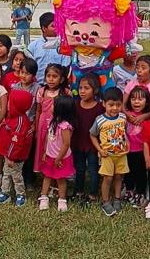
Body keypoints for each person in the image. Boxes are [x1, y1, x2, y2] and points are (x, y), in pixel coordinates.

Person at [89, 87, 130, 217]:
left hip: (121, 154)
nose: (114, 108)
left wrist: (127, 142)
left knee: (119, 177)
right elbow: (92, 135)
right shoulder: (100, 120)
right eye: (111, 105)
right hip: (107, 155)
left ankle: (117, 198)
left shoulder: (123, 117)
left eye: (118, 105)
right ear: (104, 104)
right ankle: (105, 201)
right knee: (108, 178)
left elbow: (124, 132)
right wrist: (100, 150)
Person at [33, 64, 70, 201]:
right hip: (44, 126)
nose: (51, 79)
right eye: (48, 76)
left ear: (61, 79)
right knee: (44, 151)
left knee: (57, 151)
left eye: (55, 76)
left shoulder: (65, 92)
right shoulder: (41, 91)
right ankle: (46, 179)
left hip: (59, 129)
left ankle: (57, 181)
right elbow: (38, 110)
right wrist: (36, 127)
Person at [0, 89, 33, 206]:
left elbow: (16, 143)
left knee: (16, 176)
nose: (8, 103)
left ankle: (21, 195)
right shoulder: (12, 117)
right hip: (8, 154)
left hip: (15, 156)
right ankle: (5, 193)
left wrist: (11, 157)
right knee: (6, 173)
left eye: (11, 101)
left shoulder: (20, 122)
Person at [38, 96, 77, 212]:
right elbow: (48, 138)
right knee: (47, 176)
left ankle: (62, 199)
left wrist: (59, 158)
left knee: (61, 179)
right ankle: (44, 197)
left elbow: (66, 144)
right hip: (50, 155)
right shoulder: (52, 121)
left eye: (53, 105)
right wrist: (45, 151)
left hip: (61, 158)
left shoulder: (65, 126)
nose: (51, 107)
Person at [73, 73, 105, 204]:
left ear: (95, 90)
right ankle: (78, 192)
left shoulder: (99, 108)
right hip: (77, 144)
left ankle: (92, 195)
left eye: (86, 88)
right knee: (79, 169)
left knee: (93, 170)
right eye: (80, 88)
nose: (82, 91)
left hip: (93, 146)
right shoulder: (75, 105)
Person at [124, 85, 150, 208]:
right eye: (133, 99)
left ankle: (140, 193)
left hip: (141, 151)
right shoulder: (127, 115)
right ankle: (129, 191)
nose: (136, 101)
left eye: (140, 99)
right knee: (128, 172)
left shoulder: (148, 117)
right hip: (128, 150)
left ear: (146, 101)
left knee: (141, 173)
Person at [27, 12, 71, 81]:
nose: (57, 28)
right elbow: (29, 68)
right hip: (37, 86)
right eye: (53, 26)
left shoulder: (63, 46)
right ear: (44, 28)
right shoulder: (33, 46)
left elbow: (65, 67)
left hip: (57, 87)